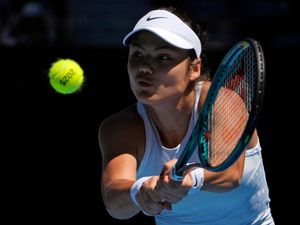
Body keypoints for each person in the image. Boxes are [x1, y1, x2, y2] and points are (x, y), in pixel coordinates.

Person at [98, 6, 275, 225]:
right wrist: (140, 192)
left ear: (194, 69)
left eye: (163, 57)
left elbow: (230, 174)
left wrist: (190, 180)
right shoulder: (121, 127)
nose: (144, 67)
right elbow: (115, 201)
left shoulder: (222, 101)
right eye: (138, 54)